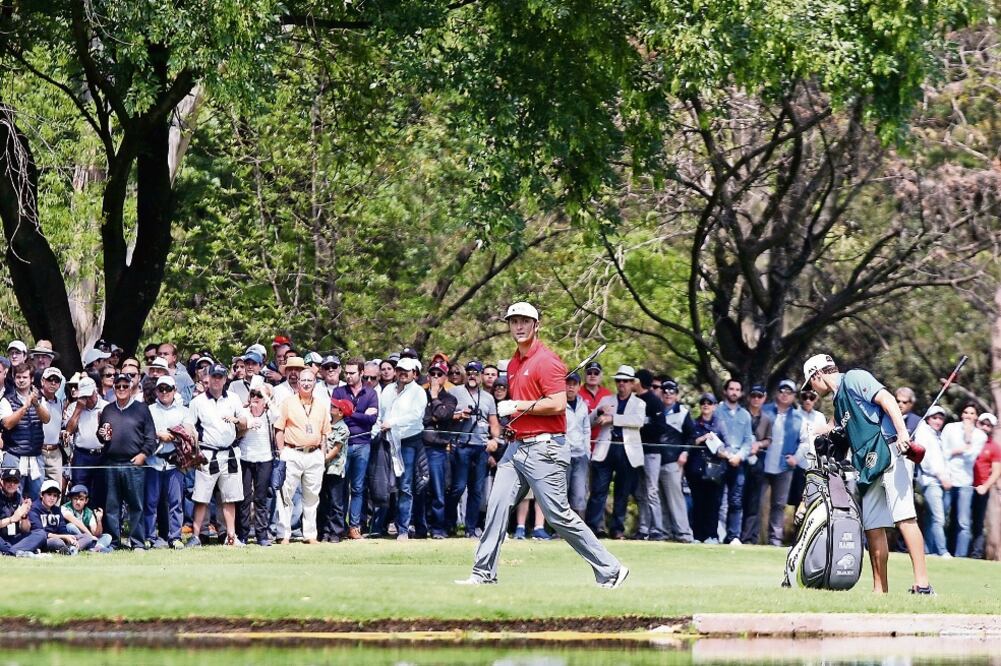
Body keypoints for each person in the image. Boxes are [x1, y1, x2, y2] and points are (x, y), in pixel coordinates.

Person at [457, 302, 627, 588]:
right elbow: (529, 411)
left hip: (546, 450)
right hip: (518, 447)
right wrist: (513, 425)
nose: (519, 327)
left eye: (525, 321)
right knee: (496, 507)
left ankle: (611, 569)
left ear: (536, 326)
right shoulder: (512, 364)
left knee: (557, 516)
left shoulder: (548, 361)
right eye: (514, 322)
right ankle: (483, 573)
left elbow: (558, 404)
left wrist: (518, 405)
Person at [802, 353, 931, 594]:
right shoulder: (838, 401)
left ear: (817, 374)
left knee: (904, 518)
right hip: (867, 466)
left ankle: (922, 584)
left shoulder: (854, 378)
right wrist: (814, 432)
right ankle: (879, 590)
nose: (811, 387)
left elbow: (887, 399)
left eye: (810, 382)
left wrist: (903, 433)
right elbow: (832, 426)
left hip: (892, 449)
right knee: (872, 526)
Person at [185, 363, 246, 546]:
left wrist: (237, 422)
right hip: (207, 453)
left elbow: (244, 422)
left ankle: (231, 537)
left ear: (225, 379)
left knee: (230, 497)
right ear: (208, 378)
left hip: (229, 453)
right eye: (214, 377)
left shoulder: (233, 399)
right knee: (201, 497)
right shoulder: (198, 402)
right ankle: (196, 536)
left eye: (220, 377)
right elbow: (189, 425)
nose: (217, 380)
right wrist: (193, 439)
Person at [97, 371, 157, 550]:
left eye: (125, 386)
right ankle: (114, 542)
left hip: (134, 464)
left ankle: (137, 542)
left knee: (136, 505)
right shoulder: (108, 409)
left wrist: (143, 455)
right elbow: (102, 436)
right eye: (118, 386)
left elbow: (151, 437)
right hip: (111, 463)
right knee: (112, 506)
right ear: (113, 388)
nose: (122, 389)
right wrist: (101, 435)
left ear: (131, 387)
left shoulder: (141, 409)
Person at [586, 365, 645, 539]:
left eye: (626, 381)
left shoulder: (639, 403)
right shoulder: (606, 399)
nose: (622, 384)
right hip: (606, 448)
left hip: (627, 450)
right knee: (598, 489)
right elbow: (590, 421)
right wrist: (598, 412)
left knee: (622, 492)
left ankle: (617, 529)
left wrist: (613, 419)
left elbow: (638, 420)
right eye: (619, 381)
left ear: (632, 383)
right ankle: (594, 527)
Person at [274, 367, 330, 544]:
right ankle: (284, 533)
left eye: (310, 381)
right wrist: (282, 451)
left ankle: (310, 535)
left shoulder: (321, 405)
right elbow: (279, 428)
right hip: (292, 452)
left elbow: (324, 433)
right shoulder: (288, 402)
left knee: (312, 496)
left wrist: (322, 454)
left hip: (313, 454)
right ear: (298, 383)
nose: (306, 383)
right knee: (286, 494)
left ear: (315, 383)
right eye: (303, 380)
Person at [374, 357, 427, 540]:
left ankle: (403, 529)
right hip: (388, 441)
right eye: (400, 370)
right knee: (385, 485)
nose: (403, 373)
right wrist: (378, 427)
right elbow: (381, 414)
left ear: (414, 373)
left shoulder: (419, 392)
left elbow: (415, 415)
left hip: (409, 442)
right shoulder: (388, 389)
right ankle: (380, 526)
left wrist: (393, 422)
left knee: (405, 486)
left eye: (407, 370)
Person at [447, 360, 500, 539]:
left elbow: (494, 423)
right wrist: (459, 415)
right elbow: (445, 416)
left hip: (481, 447)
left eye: (476, 373)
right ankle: (450, 523)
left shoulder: (488, 398)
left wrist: (495, 440)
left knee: (477, 490)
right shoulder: (455, 392)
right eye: (469, 372)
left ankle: (471, 528)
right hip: (461, 445)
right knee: (458, 487)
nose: (472, 375)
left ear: (480, 376)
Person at [331, 357, 379, 540]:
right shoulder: (339, 391)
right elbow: (336, 415)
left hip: (362, 444)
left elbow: (372, 420)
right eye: (347, 373)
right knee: (341, 486)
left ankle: (355, 526)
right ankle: (340, 525)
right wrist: (360, 415)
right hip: (342, 444)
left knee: (358, 488)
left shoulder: (371, 393)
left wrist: (350, 413)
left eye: (352, 373)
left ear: (361, 373)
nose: (349, 376)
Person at [146, 376, 190, 549]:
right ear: (156, 391)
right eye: (161, 389)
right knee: (150, 502)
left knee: (175, 502)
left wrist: (170, 435)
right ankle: (150, 536)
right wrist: (159, 434)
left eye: (168, 389)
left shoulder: (183, 411)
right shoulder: (149, 410)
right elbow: (145, 431)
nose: (164, 392)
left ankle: (175, 537)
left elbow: (186, 433)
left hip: (174, 461)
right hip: (153, 461)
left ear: (174, 390)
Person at [758, 379, 804, 546]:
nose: (785, 395)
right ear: (777, 393)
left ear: (793, 396)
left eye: (789, 392)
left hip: (784, 467)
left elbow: (805, 442)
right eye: (782, 391)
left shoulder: (798, 417)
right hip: (762, 464)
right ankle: (753, 538)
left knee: (779, 505)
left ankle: (774, 540)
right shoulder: (765, 410)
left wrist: (796, 458)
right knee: (758, 501)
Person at [940, 402, 985, 557]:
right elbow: (943, 452)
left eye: (972, 413)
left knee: (963, 522)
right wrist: (956, 450)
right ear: (962, 414)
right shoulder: (950, 428)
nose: (968, 416)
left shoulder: (980, 435)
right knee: (940, 518)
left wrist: (967, 437)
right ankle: (936, 551)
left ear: (976, 416)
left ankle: (960, 555)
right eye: (966, 412)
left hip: (965, 482)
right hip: (947, 478)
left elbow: (971, 456)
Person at [1, 362, 51, 499]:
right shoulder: (6, 400)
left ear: (32, 379)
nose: (21, 380)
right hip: (14, 456)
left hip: (35, 456)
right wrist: (25, 407)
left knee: (38, 498)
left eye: (24, 377)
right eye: (18, 377)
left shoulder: (40, 399)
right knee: (12, 497)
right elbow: (7, 424)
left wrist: (35, 404)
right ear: (14, 378)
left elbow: (46, 419)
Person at [686, 393, 730, 543]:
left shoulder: (720, 424)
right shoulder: (694, 423)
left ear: (715, 406)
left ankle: (712, 535)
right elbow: (689, 442)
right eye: (703, 402)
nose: (706, 405)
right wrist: (702, 438)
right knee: (698, 503)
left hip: (715, 470)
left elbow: (727, 444)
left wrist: (722, 451)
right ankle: (698, 535)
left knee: (713, 504)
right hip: (697, 469)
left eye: (709, 403)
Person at [237, 378, 275, 546]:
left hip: (264, 459)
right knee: (244, 498)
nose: (255, 398)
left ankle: (262, 535)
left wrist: (265, 395)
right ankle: (243, 534)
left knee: (260, 498)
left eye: (258, 396)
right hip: (245, 459)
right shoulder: (245, 413)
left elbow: (278, 414)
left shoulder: (269, 415)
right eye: (253, 395)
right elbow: (239, 425)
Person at [715, 379, 753, 544]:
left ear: (741, 393)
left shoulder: (745, 415)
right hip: (720, 460)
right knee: (717, 500)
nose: (734, 392)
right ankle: (716, 534)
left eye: (737, 389)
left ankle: (733, 536)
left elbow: (748, 440)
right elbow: (713, 436)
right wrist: (725, 454)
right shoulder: (717, 411)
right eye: (731, 389)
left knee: (736, 501)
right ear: (725, 391)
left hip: (738, 462)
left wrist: (739, 456)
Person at [424, 361, 458, 539]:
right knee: (420, 489)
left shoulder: (450, 399)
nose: (436, 377)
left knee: (439, 490)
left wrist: (435, 397)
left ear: (445, 378)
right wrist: (434, 417)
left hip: (438, 449)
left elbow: (444, 415)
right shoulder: (420, 395)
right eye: (433, 374)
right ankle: (421, 526)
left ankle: (438, 527)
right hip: (421, 447)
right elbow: (422, 419)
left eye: (440, 374)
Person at [658, 379, 695, 543]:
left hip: (673, 460)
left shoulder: (683, 412)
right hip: (656, 460)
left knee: (675, 498)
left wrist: (685, 453)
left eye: (671, 391)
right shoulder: (656, 410)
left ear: (677, 395)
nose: (668, 394)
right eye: (665, 391)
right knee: (660, 499)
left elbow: (691, 435)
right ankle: (666, 532)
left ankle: (684, 533)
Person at [632, 368, 666, 541]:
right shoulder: (634, 400)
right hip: (636, 452)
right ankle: (644, 528)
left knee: (652, 491)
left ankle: (657, 529)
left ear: (640, 382)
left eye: (634, 380)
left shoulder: (654, 401)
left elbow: (660, 427)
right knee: (640, 492)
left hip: (652, 452)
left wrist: (641, 426)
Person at [63, 377, 107, 504]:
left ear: (96, 391)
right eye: (84, 396)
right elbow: (69, 430)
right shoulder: (74, 407)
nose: (88, 399)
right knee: (79, 490)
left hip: (101, 454)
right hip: (81, 455)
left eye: (90, 395)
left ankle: (97, 520)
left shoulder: (106, 406)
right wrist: (78, 410)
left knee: (100, 491)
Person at [740, 384, 773, 545]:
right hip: (740, 461)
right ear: (748, 397)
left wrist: (758, 445)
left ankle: (748, 537)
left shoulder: (766, 419)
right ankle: (734, 534)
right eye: (753, 395)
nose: (756, 399)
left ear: (764, 398)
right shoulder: (741, 414)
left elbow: (769, 440)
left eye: (759, 396)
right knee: (737, 499)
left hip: (757, 462)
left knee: (754, 502)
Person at [915, 406, 950, 556]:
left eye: (941, 418)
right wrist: (940, 475)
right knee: (938, 518)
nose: (938, 421)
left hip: (938, 481)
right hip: (932, 481)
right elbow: (925, 459)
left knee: (931, 518)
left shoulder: (937, 435)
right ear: (928, 419)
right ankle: (942, 551)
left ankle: (929, 551)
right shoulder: (924, 433)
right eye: (934, 418)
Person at [318, 398, 351, 542]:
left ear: (340, 412)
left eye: (334, 407)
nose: (331, 407)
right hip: (323, 469)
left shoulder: (343, 428)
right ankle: (324, 531)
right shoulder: (327, 425)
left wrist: (321, 459)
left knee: (335, 502)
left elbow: (336, 449)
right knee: (323, 501)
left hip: (335, 469)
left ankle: (336, 531)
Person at [971, 413, 1001, 559]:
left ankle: (976, 554)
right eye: (983, 423)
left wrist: (985, 486)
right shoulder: (968, 439)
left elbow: (996, 471)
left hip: (980, 489)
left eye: (988, 425)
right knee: (959, 521)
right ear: (977, 423)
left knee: (977, 523)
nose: (985, 427)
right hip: (964, 486)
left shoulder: (993, 447)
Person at [0, 468, 47, 557]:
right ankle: (19, 550)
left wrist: (24, 515)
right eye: (8, 480)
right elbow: (12, 519)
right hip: (1, 538)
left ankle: (12, 551)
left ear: (19, 483)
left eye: (15, 481)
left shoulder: (19, 497)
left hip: (14, 538)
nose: (12, 484)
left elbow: (25, 530)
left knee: (41, 533)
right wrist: (11, 519)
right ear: (2, 482)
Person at [564, 372, 591, 519]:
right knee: (562, 492)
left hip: (580, 455)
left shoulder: (583, 405)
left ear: (579, 386)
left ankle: (579, 530)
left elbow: (587, 429)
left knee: (580, 493)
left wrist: (588, 452)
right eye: (568, 384)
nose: (570, 387)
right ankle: (559, 530)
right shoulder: (559, 404)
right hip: (563, 454)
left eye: (574, 384)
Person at [28, 479, 80, 554]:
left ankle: (71, 547)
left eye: (55, 496)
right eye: (49, 494)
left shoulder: (56, 510)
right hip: (43, 540)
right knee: (57, 542)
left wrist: (69, 537)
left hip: (59, 538)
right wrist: (64, 537)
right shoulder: (34, 509)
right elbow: (40, 533)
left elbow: (62, 528)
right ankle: (70, 548)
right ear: (41, 495)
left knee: (86, 537)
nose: (52, 498)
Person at [61, 484, 112, 553]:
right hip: (72, 537)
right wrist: (89, 536)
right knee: (71, 526)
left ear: (86, 501)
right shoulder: (65, 508)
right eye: (75, 499)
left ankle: (94, 548)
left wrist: (99, 520)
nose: (78, 502)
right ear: (71, 499)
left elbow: (96, 534)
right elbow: (75, 521)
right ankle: (96, 547)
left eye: (81, 499)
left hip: (87, 538)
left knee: (107, 536)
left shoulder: (88, 512)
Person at [38, 368, 66, 484]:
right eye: (50, 380)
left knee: (57, 489)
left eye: (56, 380)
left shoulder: (60, 402)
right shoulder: (36, 400)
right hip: (38, 450)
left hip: (55, 451)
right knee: (36, 488)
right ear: (42, 381)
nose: (53, 383)